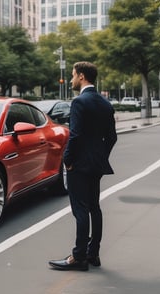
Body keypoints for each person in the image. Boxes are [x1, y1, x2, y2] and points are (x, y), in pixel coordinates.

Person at [49, 61, 117, 271]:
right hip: (96, 164)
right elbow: (112, 137)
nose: (71, 80)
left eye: (72, 75)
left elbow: (75, 136)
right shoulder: (105, 104)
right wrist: (100, 157)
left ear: (81, 76)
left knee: (80, 210)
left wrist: (68, 161)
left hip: (78, 165)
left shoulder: (79, 102)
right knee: (94, 208)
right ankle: (93, 254)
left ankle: (78, 257)